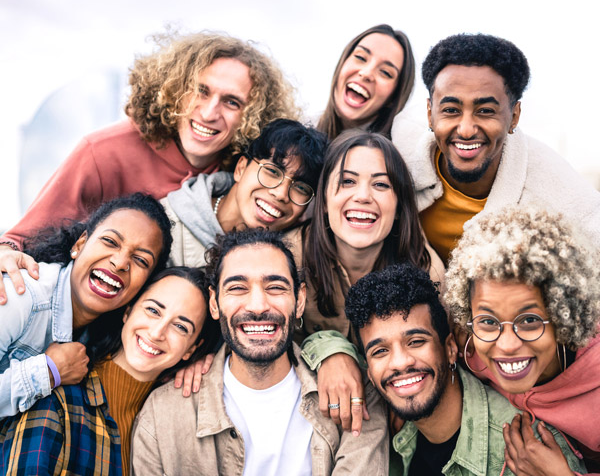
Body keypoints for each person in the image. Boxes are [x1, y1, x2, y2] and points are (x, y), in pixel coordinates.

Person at [0, 30, 297, 301]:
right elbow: (22, 239)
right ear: (174, 88)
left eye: (232, 102)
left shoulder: (243, 174)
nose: (209, 113)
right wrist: (7, 253)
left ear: (253, 116)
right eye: (200, 91)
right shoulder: (104, 151)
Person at [131, 229, 388, 475]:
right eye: (237, 288)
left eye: (275, 287)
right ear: (214, 302)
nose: (257, 306)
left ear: (299, 301)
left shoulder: (356, 395)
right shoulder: (162, 413)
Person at [344, 263, 586, 476]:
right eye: (380, 351)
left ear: (450, 348)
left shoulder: (529, 451)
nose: (400, 363)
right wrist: (330, 352)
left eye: (416, 342)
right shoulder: (380, 422)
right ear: (369, 373)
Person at [391, 33, 600, 264]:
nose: (466, 130)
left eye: (486, 111)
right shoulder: (399, 146)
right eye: (451, 110)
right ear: (430, 113)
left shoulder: (561, 197)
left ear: (514, 116)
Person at [289, 129, 444, 433]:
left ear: (400, 207)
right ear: (323, 201)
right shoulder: (288, 258)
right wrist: (327, 350)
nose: (362, 195)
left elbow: (444, 356)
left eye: (381, 184)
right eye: (347, 181)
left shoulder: (425, 270)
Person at [0, 266, 220, 475]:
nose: (157, 333)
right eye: (153, 310)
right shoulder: (58, 401)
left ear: (191, 349)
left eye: (181, 327)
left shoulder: (172, 422)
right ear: (128, 311)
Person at [445, 206, 600, 473]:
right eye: (489, 321)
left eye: (529, 321)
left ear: (564, 316)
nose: (506, 345)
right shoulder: (471, 351)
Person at [0, 193, 172, 418]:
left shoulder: (106, 335)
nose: (120, 263)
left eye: (140, 260)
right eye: (110, 242)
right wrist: (49, 371)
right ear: (79, 245)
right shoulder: (19, 294)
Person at [163, 118, 327, 267]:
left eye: (301, 188)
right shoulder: (166, 225)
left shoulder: (293, 261)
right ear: (240, 168)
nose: (281, 194)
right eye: (272, 171)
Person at [317, 24, 415, 140]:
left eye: (385, 72)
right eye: (360, 57)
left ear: (393, 98)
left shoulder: (400, 153)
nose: (367, 73)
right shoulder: (298, 133)